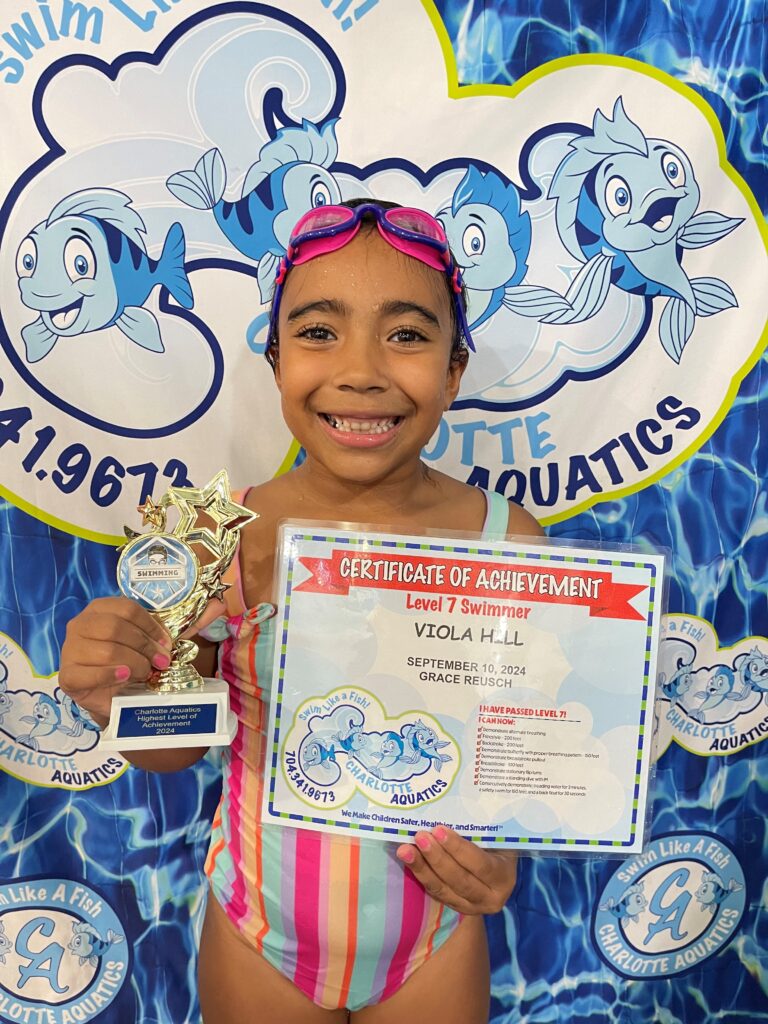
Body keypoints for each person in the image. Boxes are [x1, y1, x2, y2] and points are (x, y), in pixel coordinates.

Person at [59, 199, 542, 1023]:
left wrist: (505, 857)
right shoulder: (219, 540)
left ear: (455, 370)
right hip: (262, 933)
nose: (362, 370)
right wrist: (122, 689)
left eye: (407, 334)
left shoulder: (506, 541)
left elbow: (526, 744)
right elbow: (175, 750)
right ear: (277, 361)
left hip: (434, 932)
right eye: (320, 332)